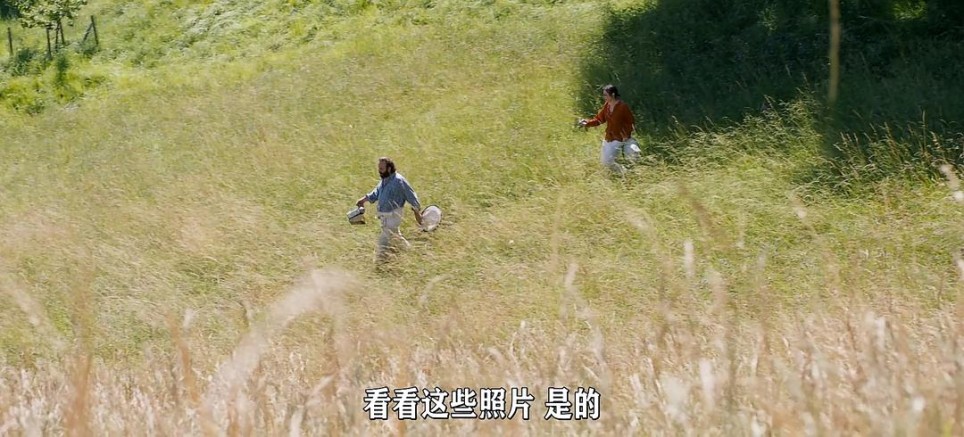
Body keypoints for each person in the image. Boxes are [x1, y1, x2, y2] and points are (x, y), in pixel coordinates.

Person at [356, 157, 423, 265]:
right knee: (396, 237)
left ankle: (379, 263)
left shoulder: (399, 181)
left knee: (383, 241)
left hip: (394, 215)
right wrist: (363, 200)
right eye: (379, 169)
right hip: (384, 217)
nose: (379, 171)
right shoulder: (384, 180)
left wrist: (416, 211)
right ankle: (413, 254)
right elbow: (376, 193)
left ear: (389, 168)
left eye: (382, 169)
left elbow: (411, 195)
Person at [578, 84, 641, 175]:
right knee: (605, 163)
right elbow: (599, 119)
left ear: (613, 95)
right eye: (603, 95)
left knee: (612, 161)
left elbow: (631, 122)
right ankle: (624, 172)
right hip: (609, 137)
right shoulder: (607, 106)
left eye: (606, 95)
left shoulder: (622, 107)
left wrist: (626, 135)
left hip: (620, 138)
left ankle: (627, 173)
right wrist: (587, 123)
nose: (604, 97)